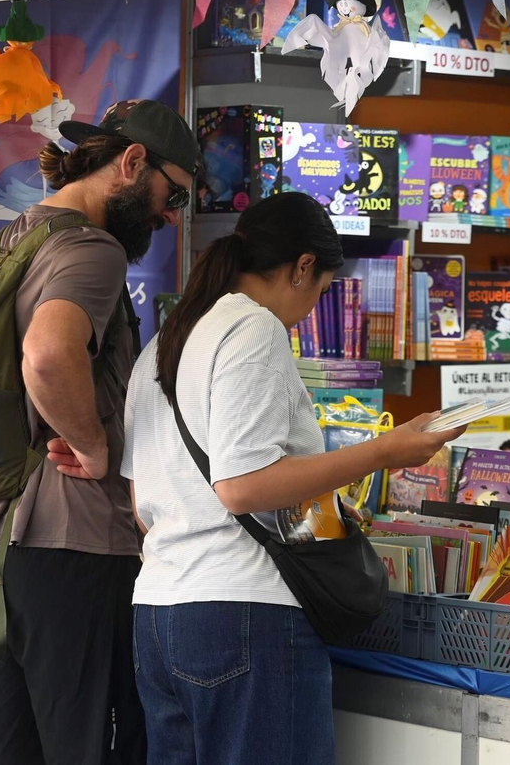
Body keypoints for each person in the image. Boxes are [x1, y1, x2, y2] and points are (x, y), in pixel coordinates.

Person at [120, 192, 464, 765]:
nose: (311, 309)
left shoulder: (166, 342)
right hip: (244, 612)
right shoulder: (252, 328)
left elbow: (142, 504)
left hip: (158, 613)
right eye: (322, 289)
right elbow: (243, 486)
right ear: (303, 266)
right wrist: (387, 449)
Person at [0, 98, 200, 765]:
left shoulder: (22, 234)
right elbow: (46, 354)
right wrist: (95, 448)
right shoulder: (93, 249)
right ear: (132, 162)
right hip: (78, 561)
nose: (170, 216)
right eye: (174, 195)